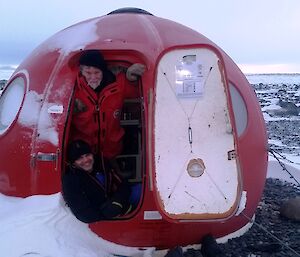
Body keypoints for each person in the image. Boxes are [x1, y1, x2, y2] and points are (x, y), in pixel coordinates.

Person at [70, 49, 145, 160]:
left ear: (103, 71)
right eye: (88, 73)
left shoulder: (118, 85)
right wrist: (71, 108)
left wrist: (131, 79)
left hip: (111, 150)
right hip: (84, 153)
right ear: (81, 72)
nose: (93, 77)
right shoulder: (72, 89)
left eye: (97, 72)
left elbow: (136, 94)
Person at [62, 140, 132, 223]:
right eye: (79, 158)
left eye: (87, 155)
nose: (86, 160)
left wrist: (118, 200)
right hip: (103, 218)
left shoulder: (102, 164)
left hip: (118, 202)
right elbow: (83, 213)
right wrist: (106, 214)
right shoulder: (71, 180)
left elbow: (124, 184)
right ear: (73, 163)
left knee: (140, 190)